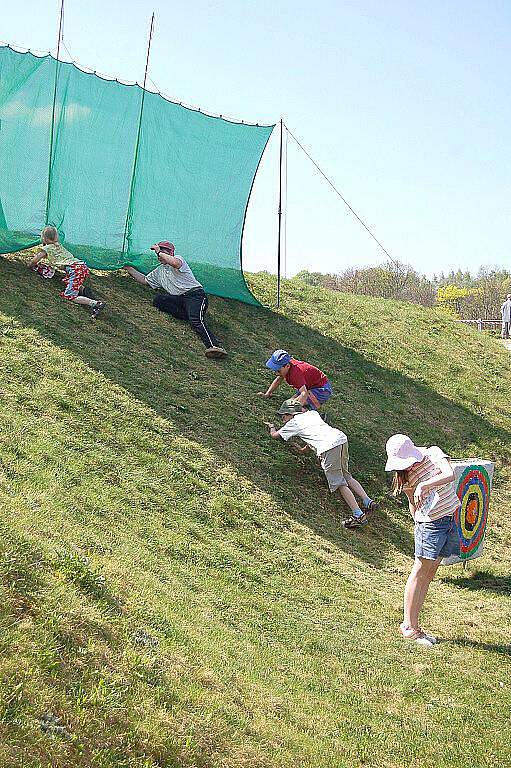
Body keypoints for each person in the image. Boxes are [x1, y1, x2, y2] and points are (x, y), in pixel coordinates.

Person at [385, 434, 461, 647]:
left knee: (428, 574)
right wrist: (418, 518)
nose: (407, 467)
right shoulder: (406, 476)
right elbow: (413, 505)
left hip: (448, 519)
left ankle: (414, 625)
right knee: (420, 572)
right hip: (430, 526)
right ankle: (409, 627)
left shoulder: (433, 452)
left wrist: (423, 485)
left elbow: (449, 474)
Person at [265, 398, 377, 528]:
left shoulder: (293, 423)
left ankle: (357, 514)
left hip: (328, 447)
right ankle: (368, 501)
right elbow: (313, 434)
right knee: (347, 475)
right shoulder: (312, 414)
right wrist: (303, 450)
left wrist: (272, 427)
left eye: (283, 417)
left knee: (339, 483)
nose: (283, 420)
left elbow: (275, 435)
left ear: (290, 414)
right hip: (340, 439)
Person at [124, 241, 227, 360]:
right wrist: (129, 268)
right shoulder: (159, 271)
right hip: (179, 299)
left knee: (196, 320)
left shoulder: (178, 259)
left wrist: (159, 251)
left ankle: (214, 346)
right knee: (159, 300)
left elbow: (175, 263)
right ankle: (188, 316)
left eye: (164, 252)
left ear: (171, 253)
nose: (160, 255)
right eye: (159, 253)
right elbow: (145, 280)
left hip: (195, 296)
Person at [28, 226, 105, 319]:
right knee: (68, 280)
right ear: (56, 237)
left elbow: (35, 260)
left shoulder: (47, 249)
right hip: (81, 266)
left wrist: (30, 265)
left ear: (44, 238)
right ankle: (83, 290)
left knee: (70, 295)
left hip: (75, 269)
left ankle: (95, 304)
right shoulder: (58, 245)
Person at [259, 350, 332, 410]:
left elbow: (304, 394)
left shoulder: (296, 374)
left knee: (291, 407)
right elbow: (279, 379)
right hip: (310, 387)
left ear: (287, 366)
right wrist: (267, 394)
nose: (276, 373)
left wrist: (293, 412)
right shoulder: (288, 367)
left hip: (321, 390)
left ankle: (311, 415)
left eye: (278, 370)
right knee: (289, 403)